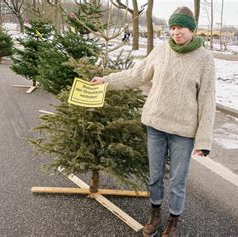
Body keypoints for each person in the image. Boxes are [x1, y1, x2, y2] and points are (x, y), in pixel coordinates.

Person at [91, 6, 215, 237]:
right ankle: (155, 213)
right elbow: (136, 76)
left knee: (178, 180)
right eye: (174, 27)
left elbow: (208, 100)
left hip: (183, 132)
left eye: (182, 28)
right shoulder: (160, 51)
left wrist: (203, 140)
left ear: (192, 30)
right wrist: (106, 81)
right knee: (155, 175)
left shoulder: (205, 59)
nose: (177, 32)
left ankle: (173, 221)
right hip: (156, 126)